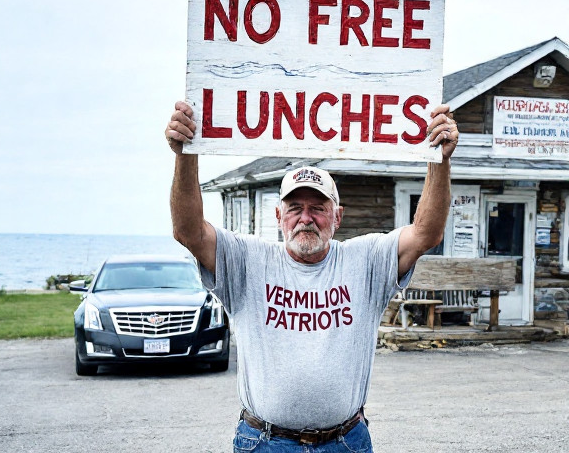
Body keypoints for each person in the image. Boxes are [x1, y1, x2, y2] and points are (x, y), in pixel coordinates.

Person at [165, 100, 459, 452]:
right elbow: (188, 231)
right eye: (295, 208)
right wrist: (186, 153)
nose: (306, 218)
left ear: (337, 217)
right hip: (266, 442)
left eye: (318, 208)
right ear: (279, 216)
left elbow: (426, 233)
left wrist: (438, 159)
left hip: (345, 441)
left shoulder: (364, 260)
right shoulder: (248, 260)